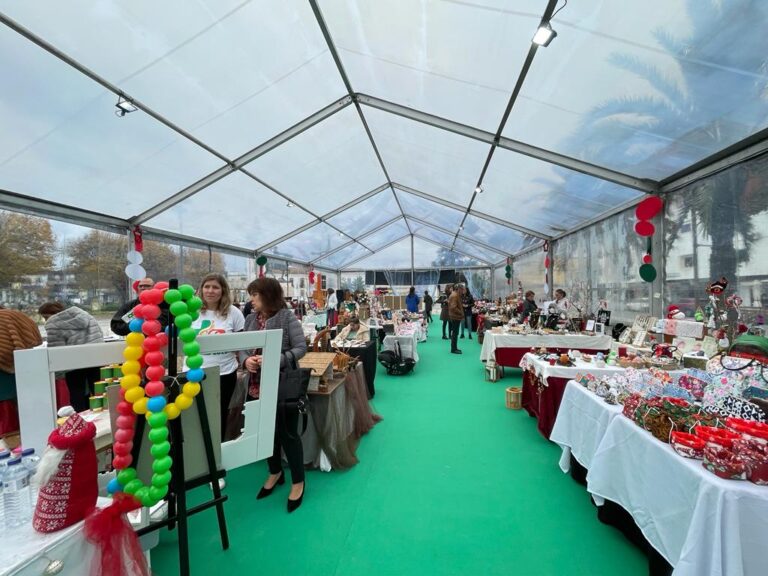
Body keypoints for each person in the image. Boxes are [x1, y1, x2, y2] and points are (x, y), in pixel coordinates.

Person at [242, 277, 307, 512]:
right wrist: (246, 360)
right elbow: (243, 347)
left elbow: (301, 348)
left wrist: (276, 359)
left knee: (288, 434)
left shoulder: (286, 317)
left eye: (255, 295)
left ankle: (298, 481)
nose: (251, 299)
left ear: (268, 295)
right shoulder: (250, 319)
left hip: (283, 385)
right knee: (265, 433)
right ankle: (275, 471)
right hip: (256, 385)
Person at [186, 274, 245, 439]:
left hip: (224, 373)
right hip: (193, 372)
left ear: (223, 290)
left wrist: (245, 362)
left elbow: (242, 342)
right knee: (193, 416)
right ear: (201, 289)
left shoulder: (233, 313)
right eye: (207, 286)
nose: (210, 291)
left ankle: (217, 450)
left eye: (215, 287)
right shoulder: (191, 311)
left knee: (219, 415)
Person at [39, 302, 104, 412]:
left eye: (45, 317)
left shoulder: (53, 323)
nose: (46, 320)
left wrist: (58, 374)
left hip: (73, 364)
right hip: (96, 359)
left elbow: (57, 351)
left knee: (77, 397)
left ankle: (81, 419)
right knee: (99, 394)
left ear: (52, 313)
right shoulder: (85, 315)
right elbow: (99, 336)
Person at [0, 310, 43, 435]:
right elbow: (36, 339)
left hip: (3, 379)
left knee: (7, 419)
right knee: (30, 413)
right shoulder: (17, 315)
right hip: (25, 367)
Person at [448, 284, 465, 354]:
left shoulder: (455, 295)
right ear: (458, 289)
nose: (463, 291)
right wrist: (461, 312)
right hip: (455, 316)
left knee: (455, 333)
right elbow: (453, 307)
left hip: (455, 316)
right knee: (455, 333)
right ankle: (453, 349)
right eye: (462, 289)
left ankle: (454, 348)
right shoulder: (455, 295)